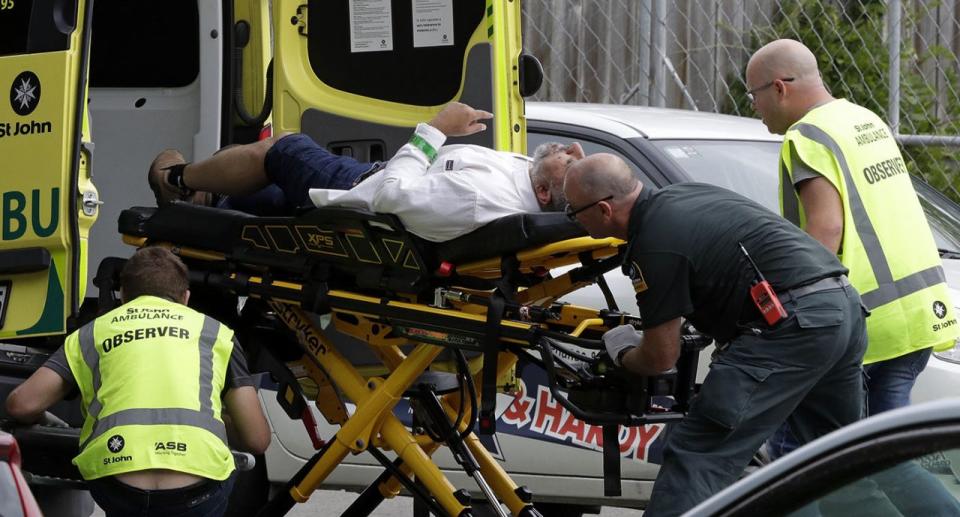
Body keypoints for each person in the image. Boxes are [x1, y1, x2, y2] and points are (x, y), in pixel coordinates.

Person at [563, 154, 868, 516]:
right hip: (841, 307)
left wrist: (622, 352)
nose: (572, 217)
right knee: (850, 459)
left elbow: (661, 357)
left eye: (573, 211)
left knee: (697, 454)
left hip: (791, 326)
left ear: (603, 211)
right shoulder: (685, 195)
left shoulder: (655, 243)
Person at [746, 39, 960, 450]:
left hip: (865, 322)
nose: (754, 105)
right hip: (916, 313)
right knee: (887, 454)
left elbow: (826, 230)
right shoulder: (863, 120)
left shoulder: (806, 137)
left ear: (779, 88)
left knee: (810, 457)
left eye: (754, 94)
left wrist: (786, 304)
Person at [5, 247, 270, 517]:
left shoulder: (93, 332)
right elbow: (257, 439)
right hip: (196, 490)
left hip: (119, 483)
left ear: (123, 295)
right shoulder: (215, 333)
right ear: (186, 297)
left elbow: (22, 404)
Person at [148, 102, 584, 242]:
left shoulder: (480, 199)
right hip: (377, 177)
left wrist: (435, 130)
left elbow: (390, 197)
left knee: (283, 148)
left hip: (363, 190)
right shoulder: (532, 182)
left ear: (546, 193)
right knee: (276, 199)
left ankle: (177, 180)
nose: (571, 148)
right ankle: (209, 201)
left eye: (572, 161)